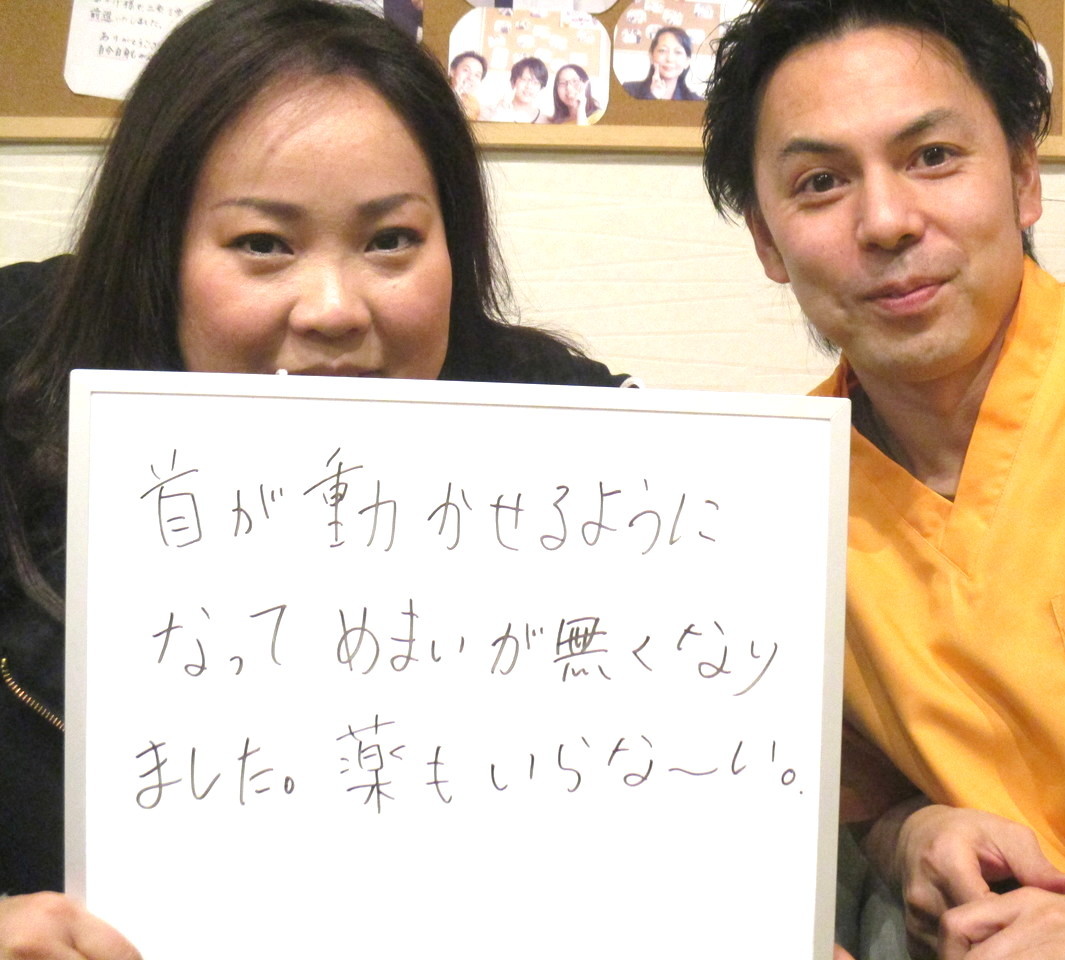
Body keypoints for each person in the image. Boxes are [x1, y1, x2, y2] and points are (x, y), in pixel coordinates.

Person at [0, 0, 627, 953]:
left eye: (390, 240)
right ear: (158, 254)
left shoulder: (571, 434)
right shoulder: (19, 396)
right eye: (263, 244)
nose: (334, 309)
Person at [703, 0, 1065, 958]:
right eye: (820, 183)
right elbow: (853, 794)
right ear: (767, 240)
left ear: (1022, 176)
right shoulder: (770, 498)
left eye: (932, 156)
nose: (887, 221)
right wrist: (913, 835)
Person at [622, 26, 703, 101]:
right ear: (651, 56)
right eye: (662, 51)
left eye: (678, 52)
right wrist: (652, 96)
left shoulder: (696, 101)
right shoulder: (628, 91)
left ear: (687, 62)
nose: (670, 59)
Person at [480, 56, 547, 123]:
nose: (529, 86)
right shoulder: (490, 113)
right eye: (524, 79)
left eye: (535, 83)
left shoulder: (545, 121)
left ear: (541, 87)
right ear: (513, 82)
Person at [448, 50, 487, 120]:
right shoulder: (436, 95)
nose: (471, 78)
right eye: (466, 70)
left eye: (477, 75)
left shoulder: (474, 104)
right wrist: (455, 95)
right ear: (452, 71)